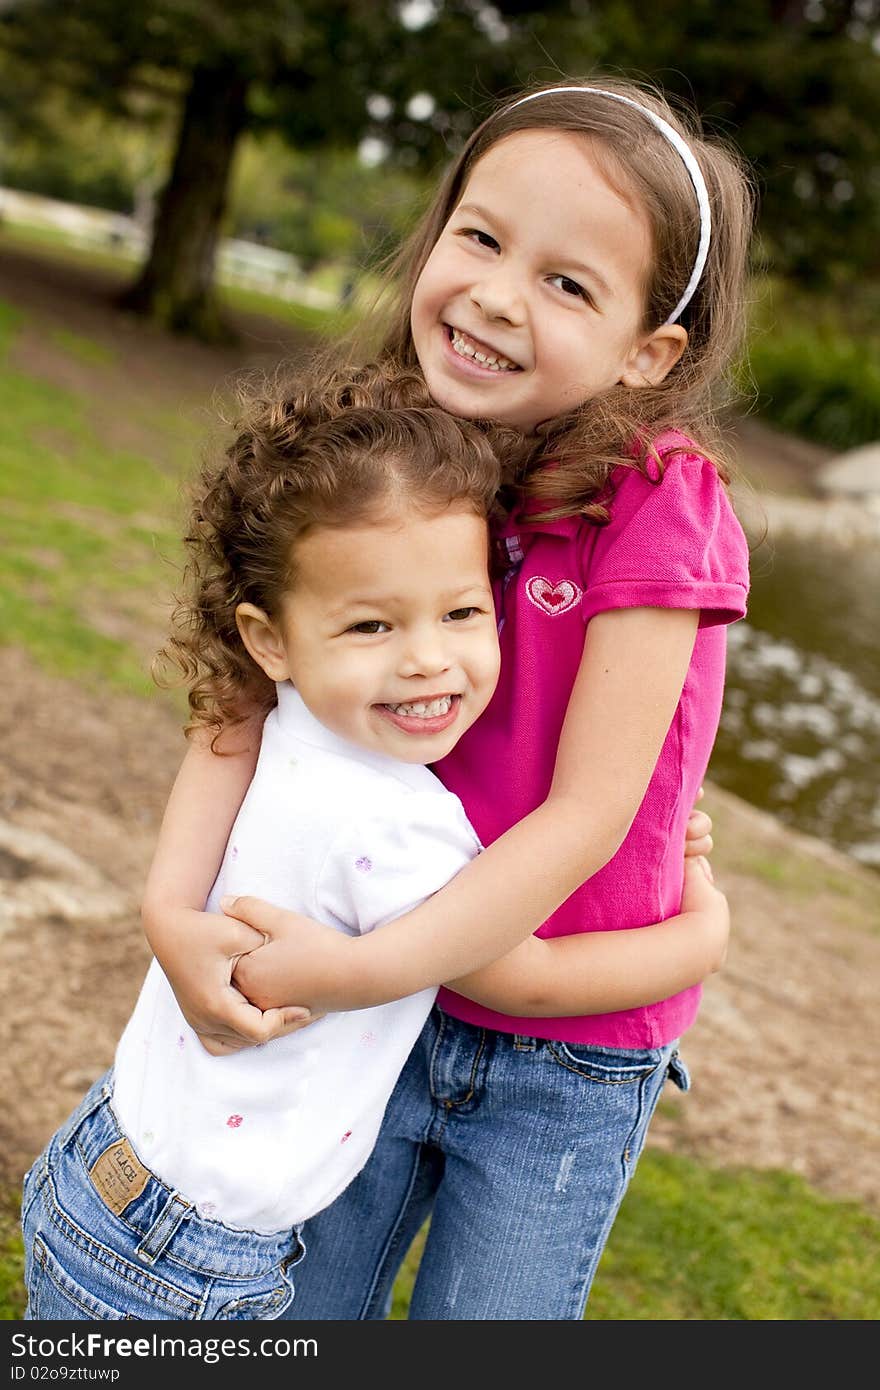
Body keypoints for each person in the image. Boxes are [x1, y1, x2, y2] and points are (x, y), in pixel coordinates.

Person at [141, 76, 754, 1320]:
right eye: (479, 237)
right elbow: (241, 686)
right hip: (381, 990)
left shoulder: (657, 502)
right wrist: (168, 908)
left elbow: (586, 814)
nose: (491, 294)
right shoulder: (398, 451)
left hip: (559, 1046)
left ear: (649, 351)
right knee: (304, 1312)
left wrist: (370, 969)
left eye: (566, 283)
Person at [20, 361, 727, 1322]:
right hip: (187, 1265)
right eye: (370, 625)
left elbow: (225, 719)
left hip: (104, 1170)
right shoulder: (400, 832)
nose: (427, 658)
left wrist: (166, 907)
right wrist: (706, 930)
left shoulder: (293, 726)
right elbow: (518, 977)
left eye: (465, 612)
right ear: (273, 641)